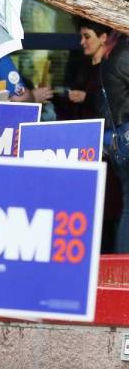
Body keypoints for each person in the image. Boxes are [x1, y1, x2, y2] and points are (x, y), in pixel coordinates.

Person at [75, 18, 129, 253]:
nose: (82, 42)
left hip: (117, 139)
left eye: (87, 36)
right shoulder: (123, 55)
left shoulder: (113, 57)